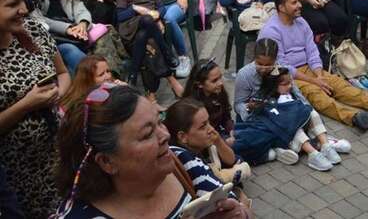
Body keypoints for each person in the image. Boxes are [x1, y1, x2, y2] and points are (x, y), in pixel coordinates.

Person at [54, 84, 251, 218]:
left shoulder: (181, 160)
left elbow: (236, 206)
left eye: (159, 122)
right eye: (147, 134)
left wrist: (238, 213)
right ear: (107, 161)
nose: (165, 135)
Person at [257, 0, 368, 130]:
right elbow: (282, 66)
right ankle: (353, 117)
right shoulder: (271, 31)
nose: (300, 5)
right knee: (317, 95)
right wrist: (315, 82)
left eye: (298, 1)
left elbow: (312, 50)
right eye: (294, 3)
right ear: (281, 8)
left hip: (309, 68)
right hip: (287, 76)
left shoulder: (301, 22)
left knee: (339, 84)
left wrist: (319, 76)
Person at [0, 0, 69, 219]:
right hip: (16, 178)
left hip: (57, 158)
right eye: (12, 5)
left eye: (22, 0)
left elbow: (62, 73)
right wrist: (26, 105)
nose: (24, 9)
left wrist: (56, 95)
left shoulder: (33, 30)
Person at [245, 62, 343, 171]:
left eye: (290, 83)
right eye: (285, 84)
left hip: (297, 128)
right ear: (274, 85)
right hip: (282, 134)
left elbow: (302, 107)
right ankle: (313, 154)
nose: (290, 86)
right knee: (292, 126)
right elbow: (262, 118)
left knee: (311, 113)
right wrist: (252, 107)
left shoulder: (290, 94)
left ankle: (326, 145)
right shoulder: (264, 99)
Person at [164, 98, 251, 206]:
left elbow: (233, 160)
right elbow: (230, 201)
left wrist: (218, 141)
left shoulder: (200, 145)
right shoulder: (186, 159)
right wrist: (240, 196)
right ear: (183, 137)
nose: (211, 129)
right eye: (203, 126)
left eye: (208, 122)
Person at [116, 0, 183, 98]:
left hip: (147, 32)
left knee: (147, 42)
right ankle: (167, 53)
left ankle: (134, 75)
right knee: (146, 20)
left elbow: (161, 7)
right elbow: (120, 16)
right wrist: (134, 9)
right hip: (132, 28)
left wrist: (158, 15)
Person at [30, 0, 92, 73]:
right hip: (54, 41)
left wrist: (83, 24)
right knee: (71, 50)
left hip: (77, 34)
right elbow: (39, 20)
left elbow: (81, 10)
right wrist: (67, 29)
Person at [183, 58, 234, 140]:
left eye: (220, 77)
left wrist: (231, 130)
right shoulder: (193, 106)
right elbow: (199, 136)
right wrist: (223, 142)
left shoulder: (219, 92)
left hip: (220, 132)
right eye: (214, 81)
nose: (221, 83)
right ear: (200, 84)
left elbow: (226, 115)